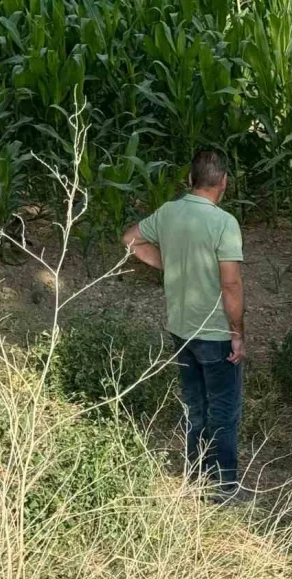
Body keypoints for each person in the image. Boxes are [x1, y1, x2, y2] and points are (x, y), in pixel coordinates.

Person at [122, 149, 247, 503]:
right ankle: (223, 487)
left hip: (180, 328)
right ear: (223, 181)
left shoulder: (168, 212)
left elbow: (130, 239)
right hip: (215, 332)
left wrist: (172, 264)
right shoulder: (224, 223)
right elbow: (231, 284)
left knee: (195, 406)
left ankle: (195, 477)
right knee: (223, 409)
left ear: (191, 179)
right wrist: (237, 334)